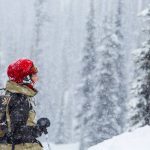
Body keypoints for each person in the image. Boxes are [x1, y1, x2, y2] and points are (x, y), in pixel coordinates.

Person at [0, 58, 50, 150]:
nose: (36, 78)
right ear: (25, 78)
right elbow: (17, 133)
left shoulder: (8, 95)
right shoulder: (19, 99)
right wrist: (38, 128)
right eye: (33, 75)